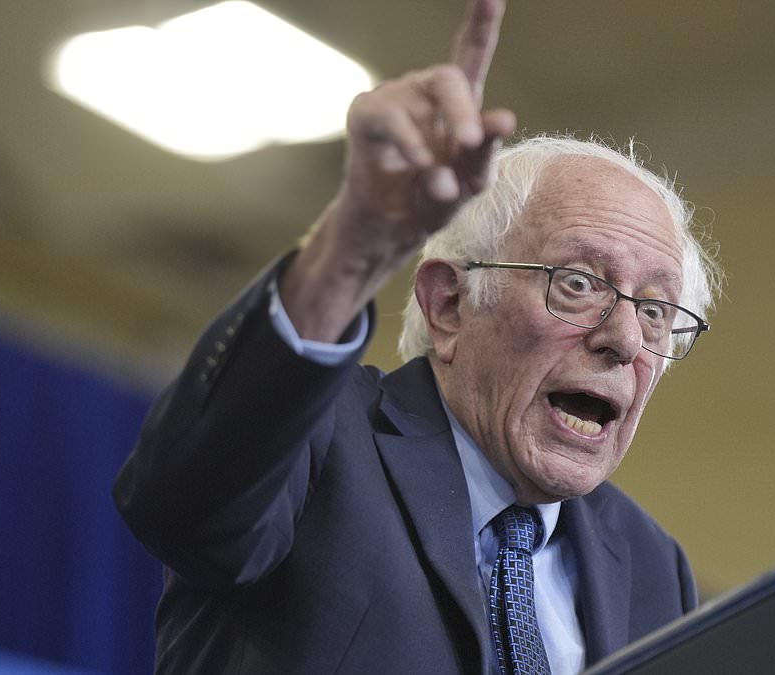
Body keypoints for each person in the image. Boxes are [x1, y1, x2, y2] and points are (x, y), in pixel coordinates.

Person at [113, 0, 722, 672]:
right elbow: (181, 500)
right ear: (449, 305)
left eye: (658, 310)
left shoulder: (653, 566)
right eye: (577, 282)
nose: (627, 338)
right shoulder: (320, 443)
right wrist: (353, 242)